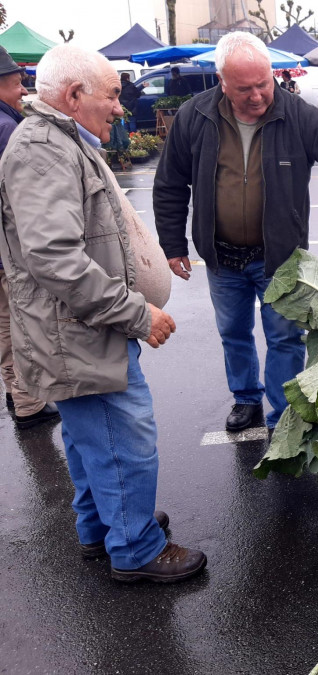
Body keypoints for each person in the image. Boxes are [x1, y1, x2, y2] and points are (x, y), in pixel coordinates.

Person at [0, 44, 206, 582]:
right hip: (80, 334)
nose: (121, 107)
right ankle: (136, 548)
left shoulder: (58, 140)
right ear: (73, 96)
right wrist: (137, 314)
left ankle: (105, 526)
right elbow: (54, 257)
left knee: (93, 438)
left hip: (78, 330)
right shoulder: (43, 150)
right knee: (124, 441)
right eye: (112, 94)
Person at [153, 33, 318, 433]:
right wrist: (173, 244)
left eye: (264, 83)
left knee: (285, 339)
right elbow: (170, 183)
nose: (258, 95)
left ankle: (283, 415)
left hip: (280, 259)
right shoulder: (196, 116)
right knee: (233, 333)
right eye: (245, 88)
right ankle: (245, 399)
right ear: (222, 81)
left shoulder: (297, 115)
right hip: (222, 257)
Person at [0, 45, 61, 430]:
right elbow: (20, 197)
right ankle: (27, 401)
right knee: (18, 322)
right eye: (16, 81)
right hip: (6, 250)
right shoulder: (7, 129)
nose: (23, 89)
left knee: (3, 322)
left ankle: (14, 390)